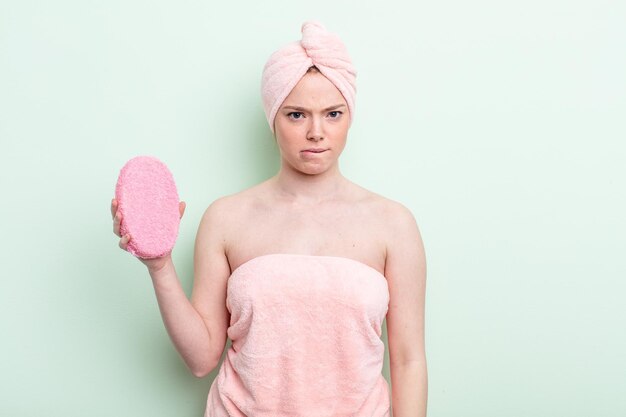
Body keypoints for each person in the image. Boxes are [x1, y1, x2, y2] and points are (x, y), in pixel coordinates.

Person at [111, 20, 427, 417]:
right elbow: (200, 359)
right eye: (296, 115)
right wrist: (159, 266)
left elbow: (409, 360)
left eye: (333, 113)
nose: (316, 132)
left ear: (350, 116)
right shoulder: (226, 218)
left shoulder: (393, 224)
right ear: (273, 117)